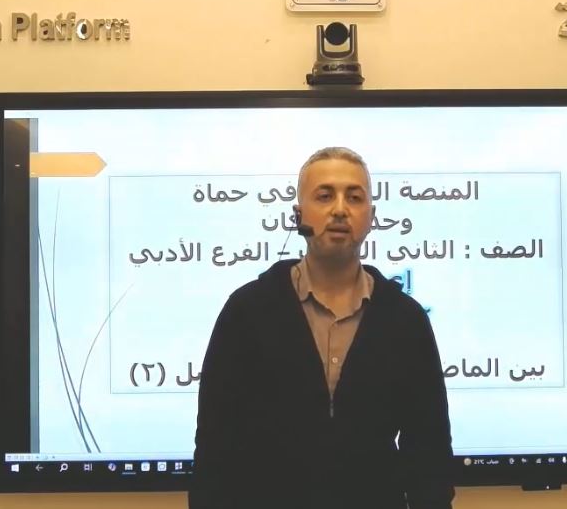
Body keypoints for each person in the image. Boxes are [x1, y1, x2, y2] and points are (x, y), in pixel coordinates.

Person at [190, 147, 455, 509]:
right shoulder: (247, 311)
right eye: (325, 196)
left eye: (355, 197)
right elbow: (214, 448)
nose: (340, 209)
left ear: (372, 216)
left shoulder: (405, 320)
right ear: (298, 214)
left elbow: (429, 452)